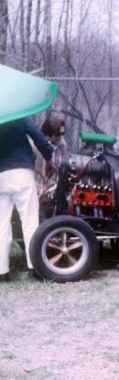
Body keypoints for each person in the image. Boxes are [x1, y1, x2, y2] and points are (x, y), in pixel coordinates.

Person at [0, 117, 53, 281]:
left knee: (1, 225)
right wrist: (49, 156)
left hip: (1, 174)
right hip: (22, 171)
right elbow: (38, 136)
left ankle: (2, 272)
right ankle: (34, 268)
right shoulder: (19, 113)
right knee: (30, 222)